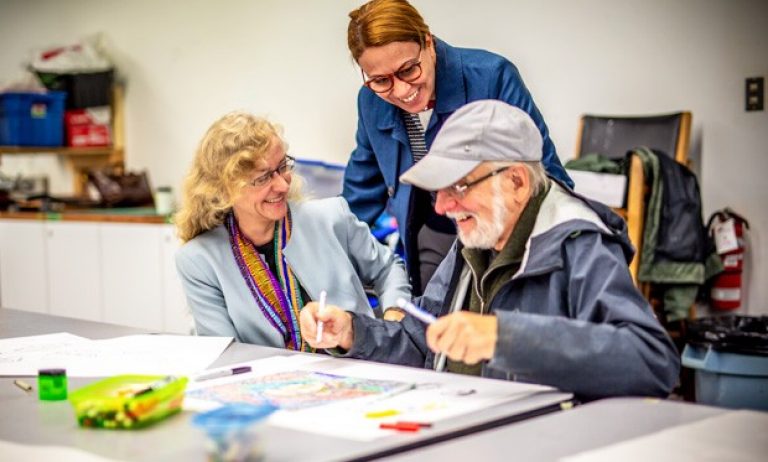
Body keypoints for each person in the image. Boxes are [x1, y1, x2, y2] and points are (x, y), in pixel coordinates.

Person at [301, 100, 680, 400]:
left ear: (515, 181)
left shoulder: (579, 244)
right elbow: (423, 341)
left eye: (459, 187)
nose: (442, 207)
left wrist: (505, 337)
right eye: (438, 191)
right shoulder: (475, 239)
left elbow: (652, 361)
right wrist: (352, 332)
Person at [342, 0, 574, 297]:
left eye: (409, 70)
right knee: (431, 330)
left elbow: (547, 178)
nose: (401, 90)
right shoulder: (371, 102)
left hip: (506, 238)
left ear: (428, 43)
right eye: (381, 80)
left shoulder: (492, 77)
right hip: (436, 238)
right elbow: (359, 196)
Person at [175, 112, 411, 349]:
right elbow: (224, 352)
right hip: (264, 381)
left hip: (357, 368)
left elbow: (388, 269)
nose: (282, 184)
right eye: (263, 178)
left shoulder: (331, 217)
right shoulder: (199, 260)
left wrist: (394, 315)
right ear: (225, 189)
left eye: (282, 167)